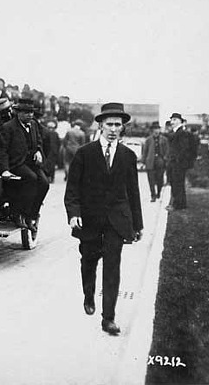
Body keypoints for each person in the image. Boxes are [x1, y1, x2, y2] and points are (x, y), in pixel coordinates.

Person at [64, 102, 143, 336]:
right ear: (100, 125)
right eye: (109, 124)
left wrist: (137, 224)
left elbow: (133, 192)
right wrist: (74, 214)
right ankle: (89, 293)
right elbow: (72, 189)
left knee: (112, 266)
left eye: (118, 125)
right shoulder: (84, 153)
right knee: (88, 260)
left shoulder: (128, 156)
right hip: (89, 218)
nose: (113, 128)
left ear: (122, 128)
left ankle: (108, 318)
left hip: (116, 221)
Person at [0, 98, 49, 231]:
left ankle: (31, 215)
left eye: (31, 112)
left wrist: (38, 150)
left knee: (44, 184)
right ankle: (18, 213)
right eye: (26, 112)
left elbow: (39, 141)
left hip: (32, 163)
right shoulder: (8, 127)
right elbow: (2, 150)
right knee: (31, 179)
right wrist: (5, 170)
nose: (30, 115)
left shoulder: (33, 125)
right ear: (17, 113)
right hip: (16, 163)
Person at [165, 112, 196, 210]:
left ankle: (177, 205)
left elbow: (184, 149)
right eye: (172, 120)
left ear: (180, 122)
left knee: (177, 184)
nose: (172, 122)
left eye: (174, 120)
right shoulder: (176, 132)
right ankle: (181, 204)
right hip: (176, 163)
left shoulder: (181, 133)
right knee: (177, 184)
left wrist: (177, 161)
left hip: (177, 164)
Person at [142, 121, 169, 202]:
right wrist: (144, 161)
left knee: (160, 179)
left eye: (157, 129)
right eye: (154, 129)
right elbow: (145, 151)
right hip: (150, 161)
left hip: (160, 161)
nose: (156, 131)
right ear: (152, 130)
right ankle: (153, 195)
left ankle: (159, 192)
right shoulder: (148, 140)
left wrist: (165, 159)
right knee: (151, 180)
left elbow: (167, 150)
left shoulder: (164, 139)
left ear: (159, 130)